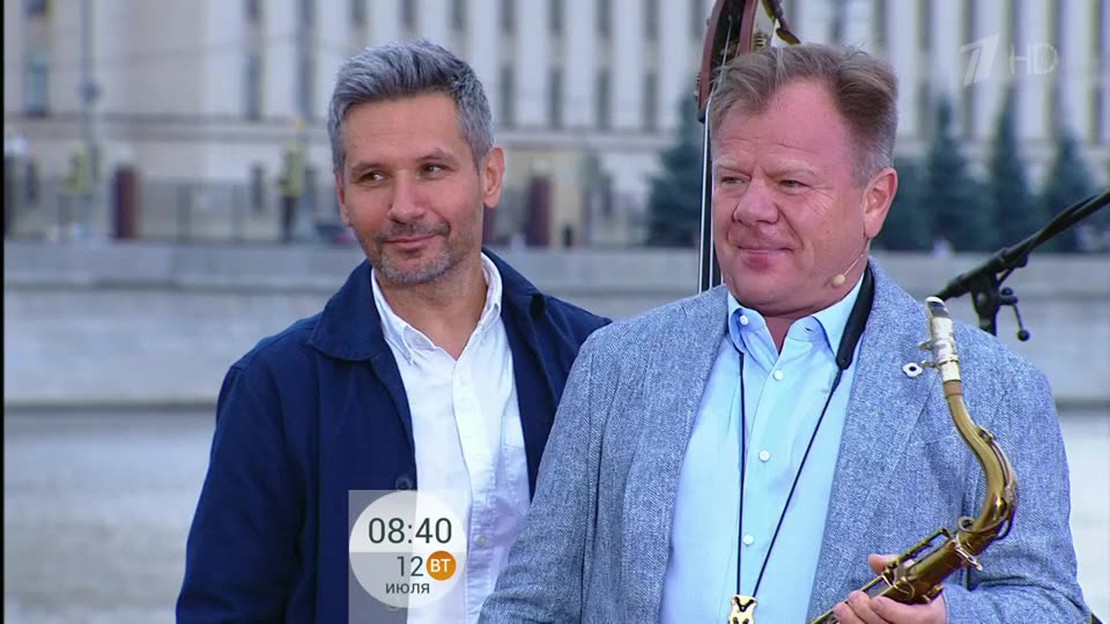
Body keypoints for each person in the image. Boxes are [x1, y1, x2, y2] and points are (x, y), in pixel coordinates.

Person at [480, 44, 1090, 624]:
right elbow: (530, 604)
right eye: (731, 179)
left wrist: (949, 618)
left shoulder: (996, 389)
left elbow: (1052, 606)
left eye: (790, 183)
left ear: (875, 201)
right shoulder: (615, 364)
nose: (751, 209)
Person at [177, 40, 609, 623]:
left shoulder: (593, 360)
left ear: (489, 176)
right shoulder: (277, 389)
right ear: (343, 197)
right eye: (374, 176)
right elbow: (225, 611)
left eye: (432, 169)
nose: (404, 206)